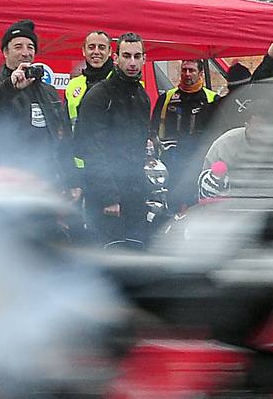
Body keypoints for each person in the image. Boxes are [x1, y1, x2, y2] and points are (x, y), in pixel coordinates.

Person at [0, 19, 76, 196]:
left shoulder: (47, 91)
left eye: (30, 47)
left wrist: (72, 180)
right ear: (5, 52)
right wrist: (10, 87)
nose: (25, 53)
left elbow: (63, 138)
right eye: (18, 47)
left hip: (43, 182)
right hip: (0, 183)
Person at [76, 33, 153, 244]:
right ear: (115, 58)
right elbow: (91, 149)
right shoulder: (99, 95)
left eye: (137, 56)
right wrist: (108, 197)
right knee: (107, 256)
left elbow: (138, 147)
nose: (132, 62)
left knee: (135, 254)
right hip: (106, 197)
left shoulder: (141, 95)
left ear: (144, 59)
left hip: (134, 192)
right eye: (126, 55)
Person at [151, 57, 219, 210]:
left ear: (200, 73)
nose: (187, 74)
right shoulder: (167, 98)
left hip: (198, 164)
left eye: (192, 70)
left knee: (195, 207)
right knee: (170, 208)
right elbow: (152, 130)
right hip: (171, 163)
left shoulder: (212, 99)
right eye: (184, 70)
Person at [64, 30, 114, 126]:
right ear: (84, 51)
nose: (96, 52)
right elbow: (66, 125)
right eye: (91, 47)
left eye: (102, 47)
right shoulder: (73, 85)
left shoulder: (119, 82)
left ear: (109, 51)